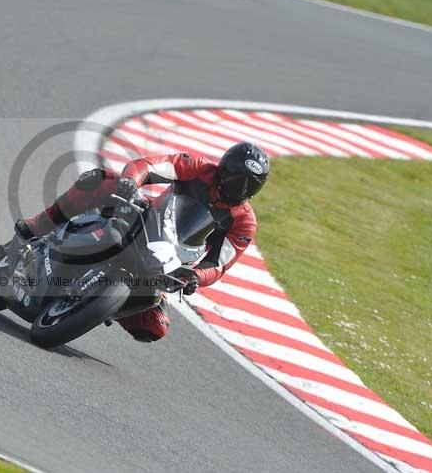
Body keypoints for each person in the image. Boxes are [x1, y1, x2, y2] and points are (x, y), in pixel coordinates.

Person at [15, 142, 270, 343]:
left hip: (169, 260)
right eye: (238, 180)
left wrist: (194, 277)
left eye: (251, 186)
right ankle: (42, 222)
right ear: (223, 170)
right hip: (146, 221)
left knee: (155, 326)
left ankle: (99, 305)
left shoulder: (243, 221)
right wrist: (130, 182)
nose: (241, 189)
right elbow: (148, 165)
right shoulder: (198, 168)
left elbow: (219, 264)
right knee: (101, 180)